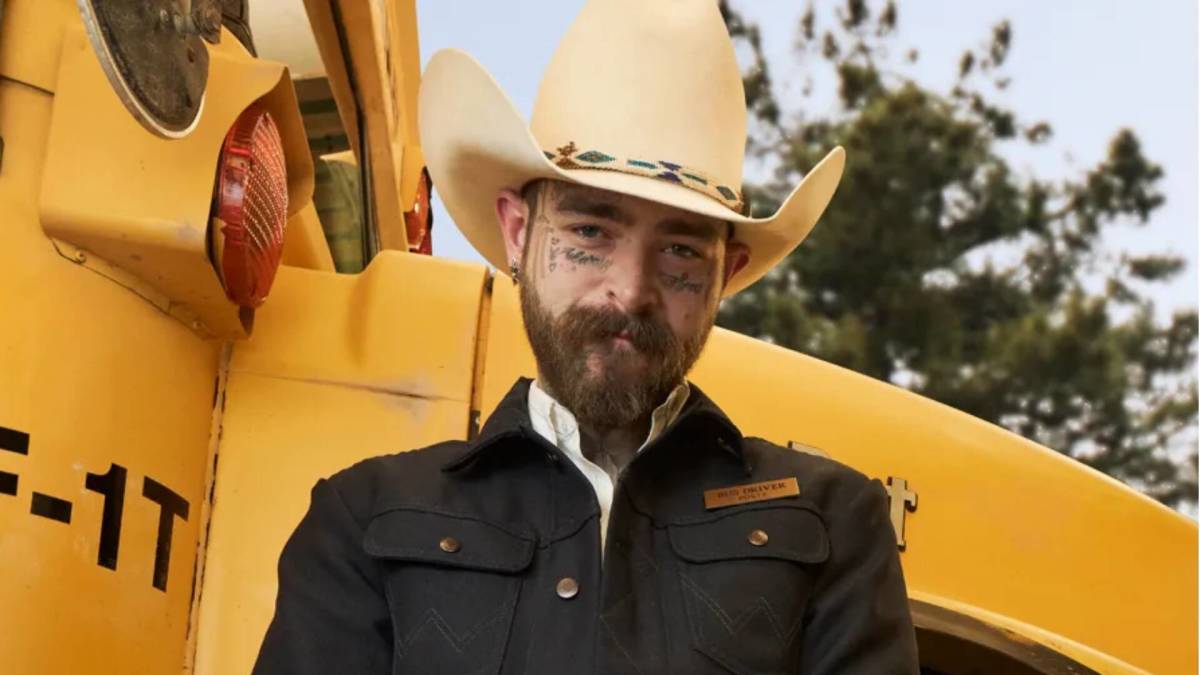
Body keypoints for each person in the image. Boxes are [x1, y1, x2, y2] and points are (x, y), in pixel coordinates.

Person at [254, 0, 919, 672]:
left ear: (728, 273)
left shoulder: (838, 520)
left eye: (681, 251)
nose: (630, 290)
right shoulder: (361, 518)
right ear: (518, 233)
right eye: (591, 232)